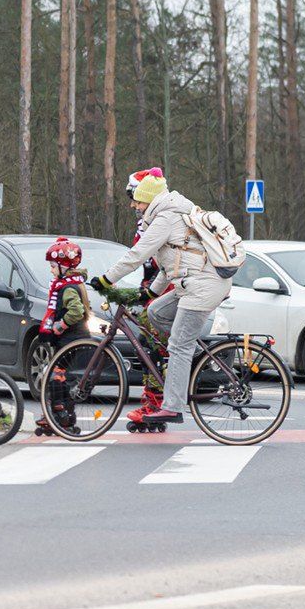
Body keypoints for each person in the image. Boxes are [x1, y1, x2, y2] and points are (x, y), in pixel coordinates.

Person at [94, 173, 234, 430]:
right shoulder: (170, 215)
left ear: (148, 200)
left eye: (137, 201)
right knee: (157, 312)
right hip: (192, 282)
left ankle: (172, 407)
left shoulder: (165, 218)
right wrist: (151, 294)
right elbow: (169, 265)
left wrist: (106, 279)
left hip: (202, 285)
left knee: (179, 346)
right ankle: (189, 349)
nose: (133, 206)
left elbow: (137, 255)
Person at [32, 237, 92, 436]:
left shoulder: (67, 288)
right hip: (72, 339)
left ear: (64, 266)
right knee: (58, 374)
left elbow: (77, 311)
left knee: (55, 375)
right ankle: (64, 413)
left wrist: (61, 324)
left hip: (70, 339)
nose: (51, 270)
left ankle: (59, 412)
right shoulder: (73, 283)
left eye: (52, 266)